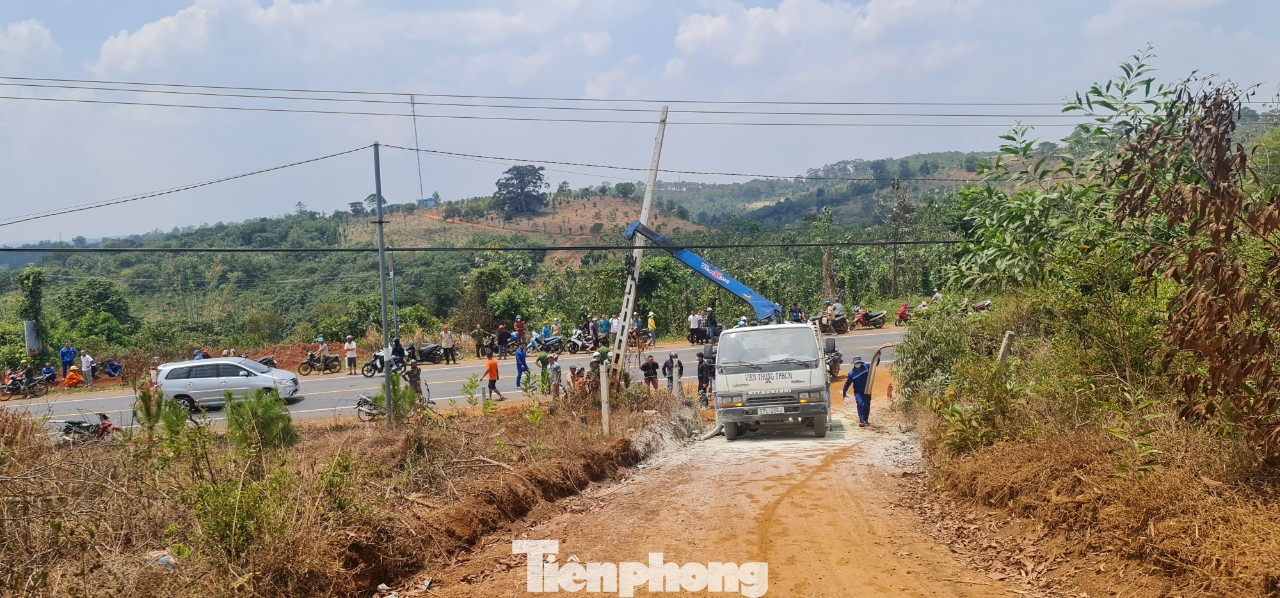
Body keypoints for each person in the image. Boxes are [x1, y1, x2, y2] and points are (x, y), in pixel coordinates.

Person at [842, 357, 871, 427]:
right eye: (856, 363)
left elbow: (874, 364)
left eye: (859, 363)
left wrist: (878, 358)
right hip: (858, 392)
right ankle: (861, 421)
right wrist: (844, 392)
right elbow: (847, 384)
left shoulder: (866, 367)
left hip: (867, 390)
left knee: (867, 405)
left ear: (861, 363)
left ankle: (866, 419)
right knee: (860, 404)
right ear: (854, 364)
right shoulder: (851, 374)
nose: (858, 364)